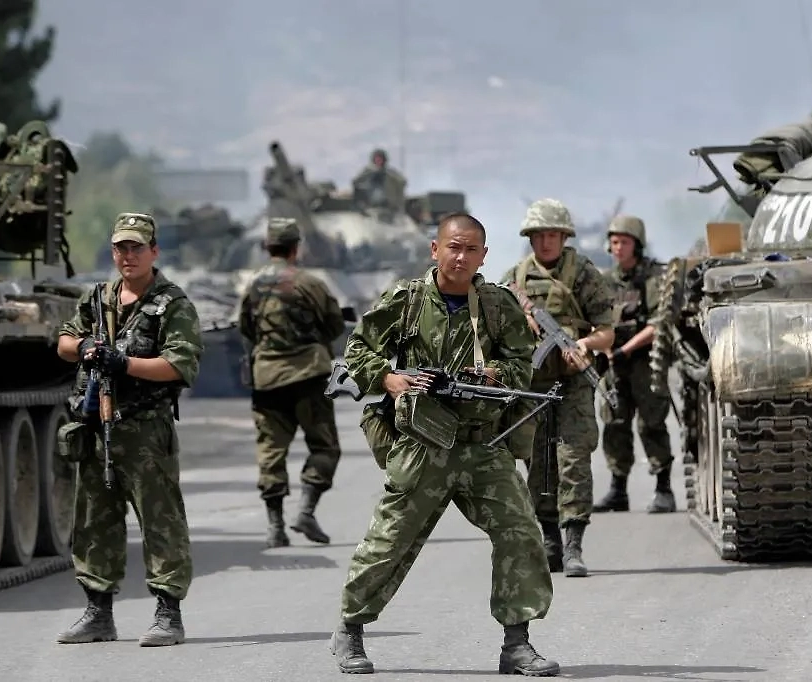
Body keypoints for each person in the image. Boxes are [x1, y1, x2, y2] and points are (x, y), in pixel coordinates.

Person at [330, 213, 559, 677]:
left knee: (521, 531)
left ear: (484, 256)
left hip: (483, 446)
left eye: (471, 249)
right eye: (453, 247)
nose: (461, 257)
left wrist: (488, 376)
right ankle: (350, 631)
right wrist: (391, 379)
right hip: (422, 445)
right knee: (389, 541)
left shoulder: (497, 306)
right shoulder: (407, 300)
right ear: (435, 250)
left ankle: (517, 643)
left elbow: (521, 368)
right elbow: (357, 351)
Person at [54, 212, 203, 647]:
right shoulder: (98, 298)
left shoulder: (172, 304)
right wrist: (84, 346)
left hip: (144, 430)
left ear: (154, 251)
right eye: (121, 247)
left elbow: (179, 365)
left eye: (137, 247)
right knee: (94, 521)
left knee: (160, 521)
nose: (128, 255)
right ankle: (98, 613)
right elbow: (64, 341)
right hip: (98, 428)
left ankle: (167, 614)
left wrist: (124, 364)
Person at [501, 198, 615, 578]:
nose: (546, 242)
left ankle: (574, 544)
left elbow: (606, 331)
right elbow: (492, 331)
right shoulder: (514, 279)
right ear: (530, 238)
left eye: (553, 235)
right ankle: (548, 539)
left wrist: (583, 345)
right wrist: (523, 326)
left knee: (574, 457)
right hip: (533, 385)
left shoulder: (583, 274)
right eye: (539, 235)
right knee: (537, 462)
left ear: (564, 237)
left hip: (574, 383)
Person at [237, 217, 346, 548]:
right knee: (324, 446)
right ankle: (306, 512)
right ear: (297, 248)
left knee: (271, 451)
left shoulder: (252, 286)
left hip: (267, 379)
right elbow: (334, 325)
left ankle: (275, 527)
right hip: (308, 376)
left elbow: (246, 328)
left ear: (267, 247)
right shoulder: (310, 283)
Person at [594, 214, 676, 514]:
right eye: (614, 242)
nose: (618, 248)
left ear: (637, 244)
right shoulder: (605, 281)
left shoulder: (653, 278)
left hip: (644, 360)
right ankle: (618, 490)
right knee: (614, 422)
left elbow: (659, 322)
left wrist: (625, 349)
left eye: (624, 242)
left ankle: (664, 489)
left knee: (651, 422)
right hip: (614, 361)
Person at [351, 148, 407, 219]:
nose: (378, 161)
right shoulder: (368, 171)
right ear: (373, 160)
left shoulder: (390, 172)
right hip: (369, 203)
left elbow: (402, 181)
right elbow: (356, 182)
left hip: (388, 203)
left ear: (384, 160)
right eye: (376, 159)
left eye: (380, 159)